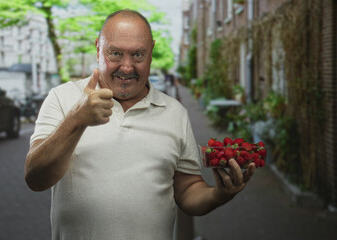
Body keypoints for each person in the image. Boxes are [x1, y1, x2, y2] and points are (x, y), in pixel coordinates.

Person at [24, 9, 255, 240]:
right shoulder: (62, 98)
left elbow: (187, 190)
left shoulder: (175, 113)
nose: (126, 67)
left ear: (151, 53)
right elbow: (36, 178)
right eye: (115, 53)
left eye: (138, 55)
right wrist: (77, 120)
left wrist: (220, 194)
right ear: (98, 49)